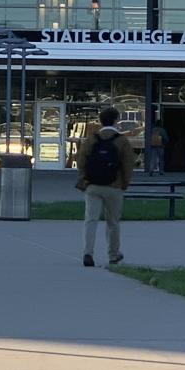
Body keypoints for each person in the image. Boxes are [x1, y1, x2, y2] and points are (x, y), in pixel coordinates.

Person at [75, 105, 136, 268]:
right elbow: (128, 164)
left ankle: (88, 252)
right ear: (116, 120)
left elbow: (81, 161)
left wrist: (84, 180)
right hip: (114, 186)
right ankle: (113, 255)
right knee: (113, 222)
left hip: (93, 186)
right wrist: (124, 184)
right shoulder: (122, 141)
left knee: (90, 219)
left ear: (100, 121)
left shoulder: (91, 139)